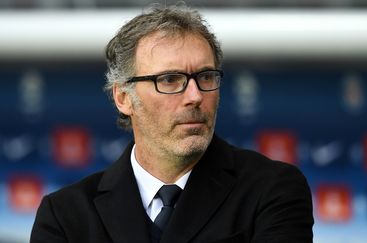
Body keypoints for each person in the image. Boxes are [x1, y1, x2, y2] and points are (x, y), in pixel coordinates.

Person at [31, 5, 314, 243]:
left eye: (206, 77)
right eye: (169, 80)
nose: (195, 96)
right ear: (123, 97)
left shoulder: (272, 190)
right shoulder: (65, 214)